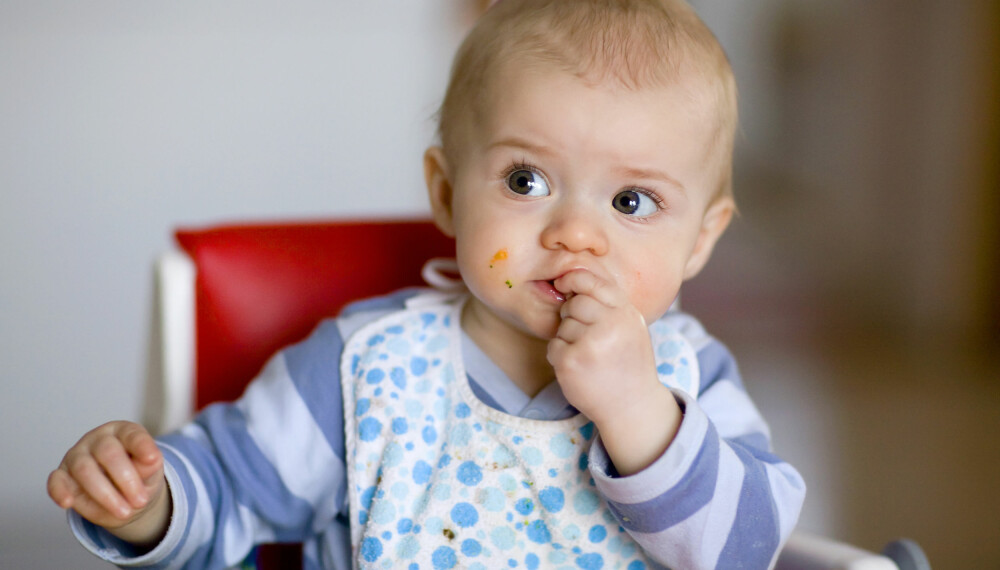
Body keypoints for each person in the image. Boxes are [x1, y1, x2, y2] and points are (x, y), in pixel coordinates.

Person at [48, 0, 806, 568]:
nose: (577, 233)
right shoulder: (365, 366)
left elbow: (745, 552)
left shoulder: (689, 378)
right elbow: (227, 491)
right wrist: (142, 502)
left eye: (632, 201)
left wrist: (638, 411)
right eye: (526, 178)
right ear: (446, 194)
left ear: (701, 239)